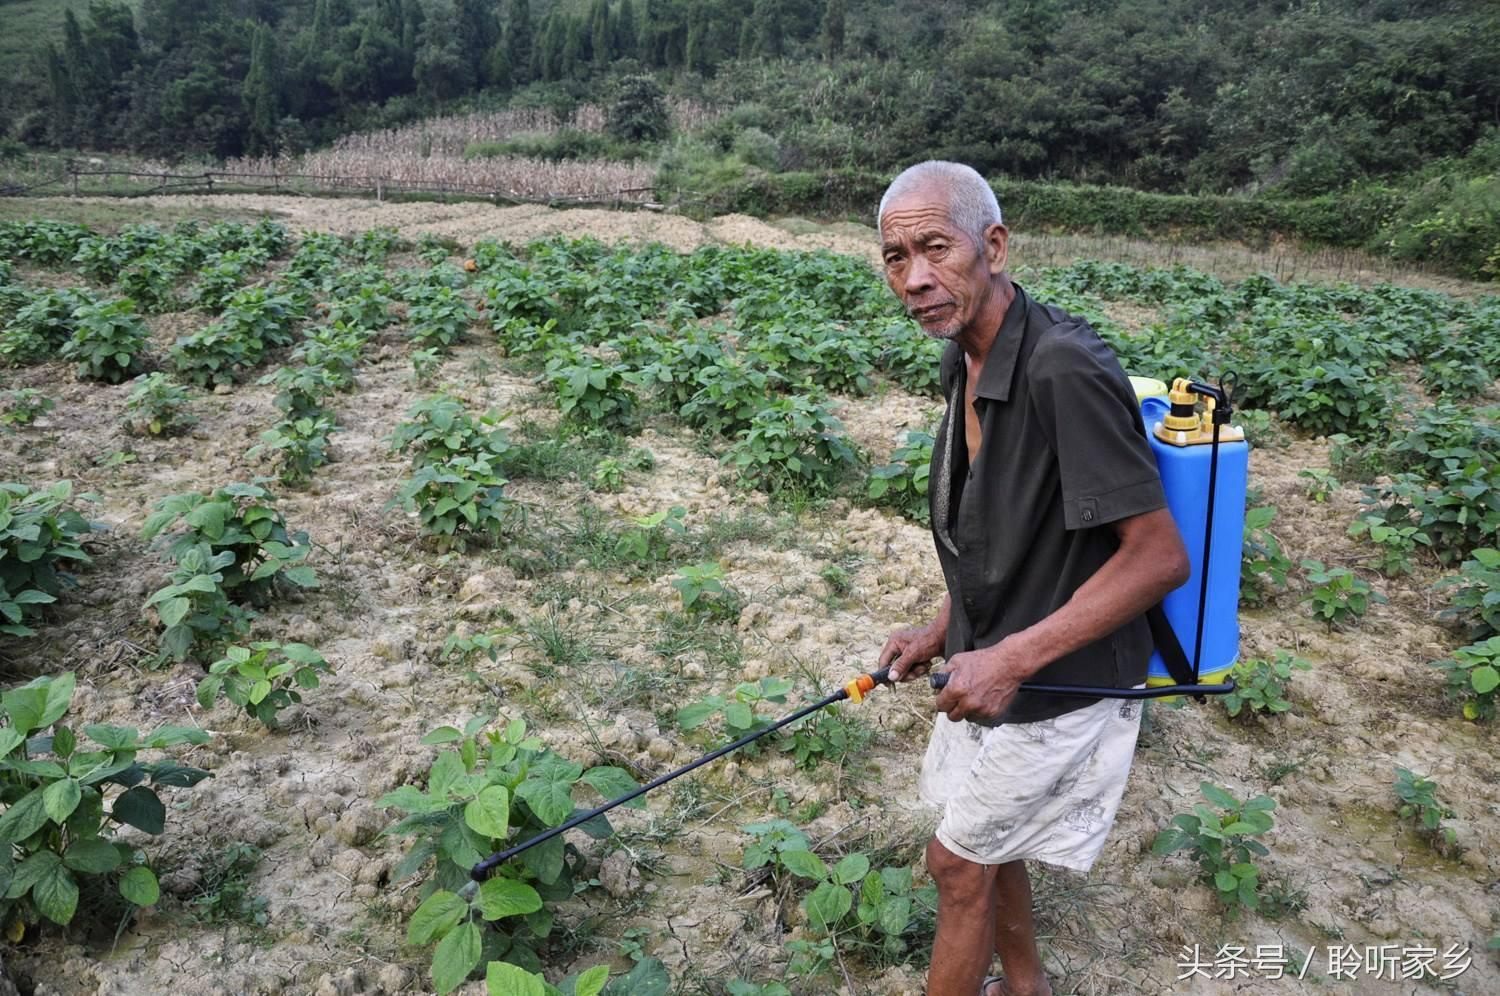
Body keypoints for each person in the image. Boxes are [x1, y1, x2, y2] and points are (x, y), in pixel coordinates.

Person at [874, 161, 1191, 996]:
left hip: (1062, 677)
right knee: (980, 845)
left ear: (995, 245)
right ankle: (1027, 988)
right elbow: (998, 534)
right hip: (991, 657)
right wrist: (943, 627)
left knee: (954, 866)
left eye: (935, 249)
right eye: (894, 257)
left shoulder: (1062, 368)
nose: (914, 279)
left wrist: (1011, 659)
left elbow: (1159, 556)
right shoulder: (962, 359)